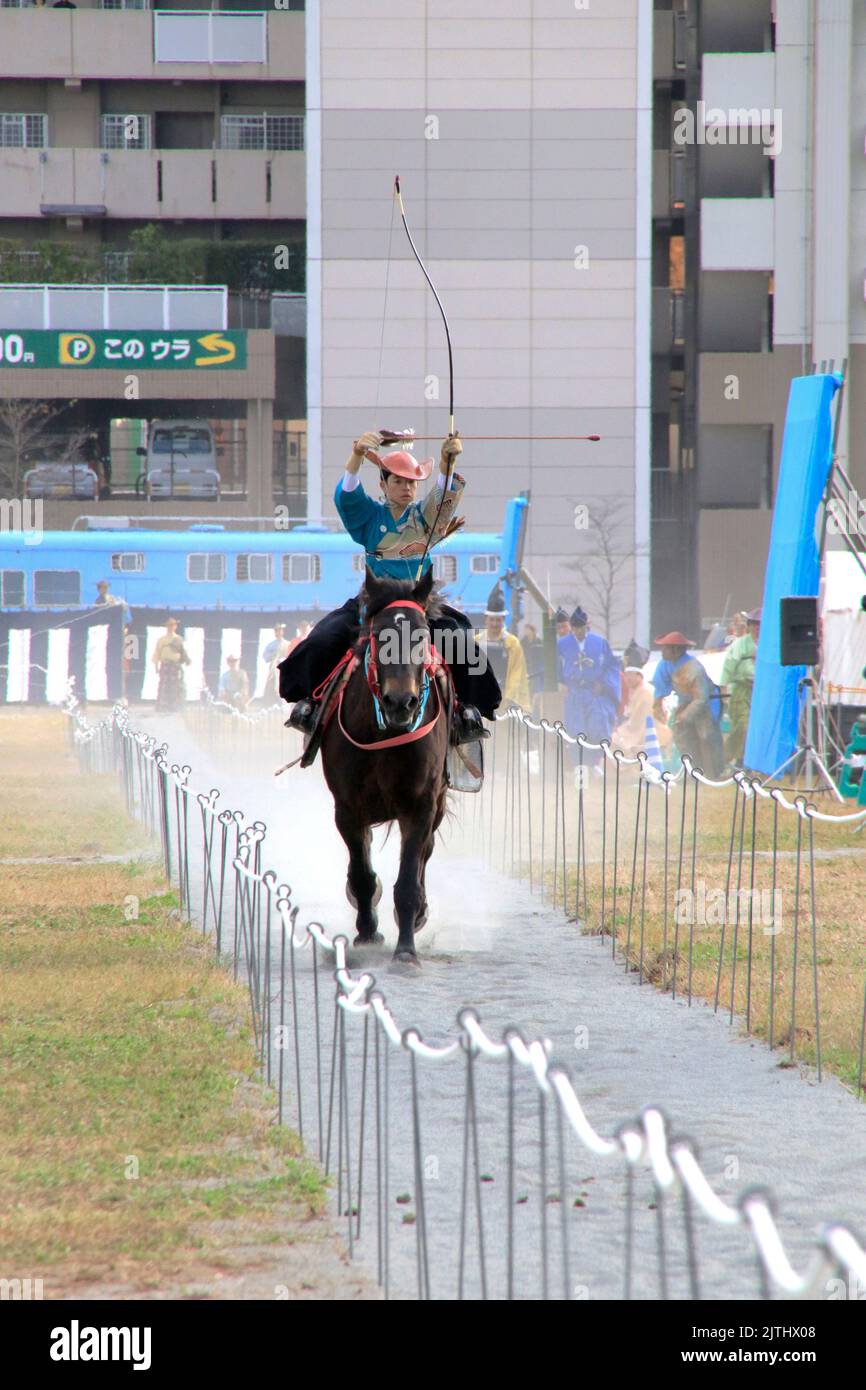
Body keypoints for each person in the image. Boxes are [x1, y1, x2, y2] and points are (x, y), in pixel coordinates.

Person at [279, 429, 500, 743]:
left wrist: (446, 463)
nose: (406, 488)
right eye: (398, 481)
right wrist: (357, 455)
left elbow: (443, 498)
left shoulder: (426, 518)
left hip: (420, 606)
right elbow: (347, 495)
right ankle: (311, 704)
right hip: (374, 604)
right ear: (383, 485)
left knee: (462, 644)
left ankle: (467, 711)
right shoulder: (369, 517)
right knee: (322, 640)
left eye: (411, 482)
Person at [557, 606, 621, 769]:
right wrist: (560, 682)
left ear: (587, 626)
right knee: (576, 730)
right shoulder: (562, 644)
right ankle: (580, 766)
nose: (578, 631)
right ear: (572, 627)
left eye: (581, 628)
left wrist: (603, 682)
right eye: (575, 628)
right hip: (574, 692)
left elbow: (611, 665)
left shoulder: (599, 642)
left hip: (594, 692)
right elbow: (554, 666)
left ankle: (595, 764)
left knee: (596, 728)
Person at [652, 631, 724, 776]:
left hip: (707, 703)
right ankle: (693, 771)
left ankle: (714, 774)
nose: (662, 651)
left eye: (665, 648)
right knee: (682, 735)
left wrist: (685, 716)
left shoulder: (694, 668)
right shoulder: (664, 665)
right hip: (685, 701)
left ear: (675, 649)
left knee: (707, 737)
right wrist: (658, 706)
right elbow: (660, 687)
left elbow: (701, 698)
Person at [475, 583, 530, 708]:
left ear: (503, 619)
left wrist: (507, 699)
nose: (494, 624)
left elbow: (516, 674)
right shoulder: (476, 642)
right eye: (492, 619)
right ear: (486, 619)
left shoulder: (512, 643)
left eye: (498, 620)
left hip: (505, 699)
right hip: (482, 698)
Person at [720, 607, 761, 765]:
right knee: (743, 725)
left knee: (758, 729)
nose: (758, 628)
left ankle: (749, 762)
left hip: (761, 693)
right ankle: (728, 757)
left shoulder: (770, 644)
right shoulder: (740, 644)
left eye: (761, 625)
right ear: (749, 626)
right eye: (755, 624)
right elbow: (728, 666)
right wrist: (723, 687)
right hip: (742, 691)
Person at [612, 666, 673, 761]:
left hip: (651, 733)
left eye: (630, 675)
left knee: (614, 740)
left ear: (639, 676)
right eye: (626, 675)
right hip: (652, 730)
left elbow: (637, 723)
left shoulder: (644, 692)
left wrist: (619, 731)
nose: (627, 679)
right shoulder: (639, 690)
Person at [152, 617, 191, 711]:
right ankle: (163, 706)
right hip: (165, 665)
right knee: (164, 686)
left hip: (175, 666)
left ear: (175, 626)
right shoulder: (161, 639)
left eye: (173, 625)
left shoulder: (179, 639)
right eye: (169, 625)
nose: (171, 627)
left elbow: (183, 652)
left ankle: (175, 707)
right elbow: (157, 653)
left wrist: (187, 660)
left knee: (176, 686)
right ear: (166, 626)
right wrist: (156, 666)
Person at [261, 623, 290, 703]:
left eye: (280, 630)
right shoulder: (271, 645)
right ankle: (270, 702)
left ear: (282, 632)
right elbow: (265, 656)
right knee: (272, 685)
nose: (278, 632)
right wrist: (272, 656)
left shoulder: (287, 644)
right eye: (277, 631)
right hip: (273, 669)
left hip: (284, 668)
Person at [521, 621, 545, 711]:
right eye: (525, 630)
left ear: (532, 631)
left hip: (536, 670)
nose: (525, 632)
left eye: (527, 630)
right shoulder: (522, 642)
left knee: (537, 693)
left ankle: (536, 712)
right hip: (526, 670)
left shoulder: (539, 642)